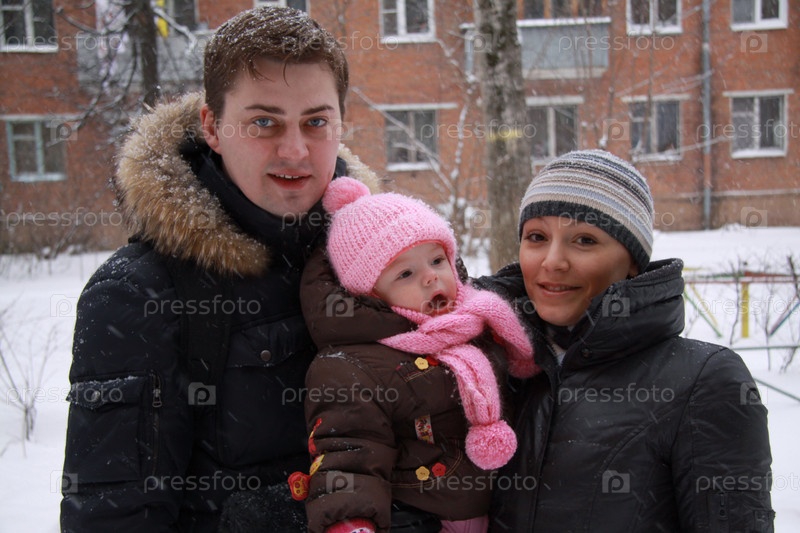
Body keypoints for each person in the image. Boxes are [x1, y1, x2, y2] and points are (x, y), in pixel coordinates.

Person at [59, 6, 380, 532]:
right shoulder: (140, 295)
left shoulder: (385, 264)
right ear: (213, 126)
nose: (295, 150)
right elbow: (116, 517)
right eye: (263, 122)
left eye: (316, 122)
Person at [476, 149, 775, 531]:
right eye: (537, 237)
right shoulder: (490, 364)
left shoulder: (703, 381)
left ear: (633, 260)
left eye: (584, 240)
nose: (552, 261)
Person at [292, 177, 540, 533]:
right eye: (405, 273)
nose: (430, 278)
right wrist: (351, 521)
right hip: (422, 517)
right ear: (370, 294)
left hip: (502, 509)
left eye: (437, 260)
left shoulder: (477, 323)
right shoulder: (352, 367)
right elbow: (350, 453)